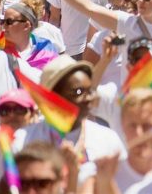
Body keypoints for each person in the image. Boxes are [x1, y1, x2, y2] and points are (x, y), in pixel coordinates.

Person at [11, 55, 126, 188]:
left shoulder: (107, 139)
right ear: (52, 98)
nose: (89, 98)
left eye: (90, 90)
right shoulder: (23, 141)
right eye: (79, 91)